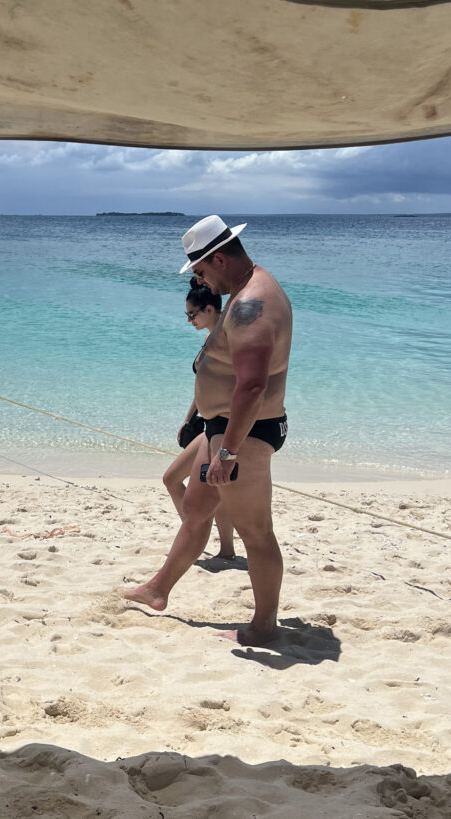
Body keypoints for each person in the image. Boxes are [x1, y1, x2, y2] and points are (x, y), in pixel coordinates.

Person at [124, 215, 292, 646]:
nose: (200, 280)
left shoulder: (251, 304)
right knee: (197, 509)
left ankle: (264, 627)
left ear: (219, 258)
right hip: (222, 428)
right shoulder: (243, 293)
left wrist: (228, 452)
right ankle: (158, 589)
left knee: (255, 532)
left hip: (246, 434)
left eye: (200, 270)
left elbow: (252, 385)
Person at [164, 277, 235, 560]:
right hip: (208, 425)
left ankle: (212, 544)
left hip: (225, 425)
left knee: (216, 490)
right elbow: (204, 385)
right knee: (172, 479)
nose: (189, 320)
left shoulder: (228, 339)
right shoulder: (209, 339)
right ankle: (206, 541)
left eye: (192, 314)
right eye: (186, 315)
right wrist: (188, 419)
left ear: (209, 309)